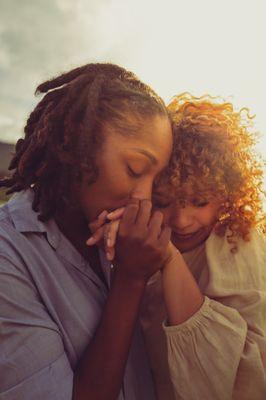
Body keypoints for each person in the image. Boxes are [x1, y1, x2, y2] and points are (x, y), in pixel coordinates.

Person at [0, 63, 173, 400]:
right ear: (81, 141)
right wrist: (130, 279)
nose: (145, 197)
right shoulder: (10, 254)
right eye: (135, 169)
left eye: (156, 179)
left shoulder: (129, 236)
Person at [92, 94, 266, 400]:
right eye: (162, 202)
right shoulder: (140, 236)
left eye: (200, 202)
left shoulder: (237, 242)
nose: (182, 221)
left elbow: (243, 378)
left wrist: (170, 258)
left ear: (227, 196)